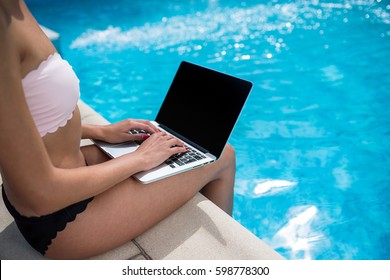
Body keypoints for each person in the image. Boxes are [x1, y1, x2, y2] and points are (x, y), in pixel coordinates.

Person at [0, 0, 236, 259]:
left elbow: (27, 122)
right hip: (59, 218)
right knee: (223, 155)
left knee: (182, 146)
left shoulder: (14, 7)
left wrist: (100, 132)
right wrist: (140, 159)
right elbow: (41, 193)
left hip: (70, 177)